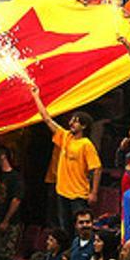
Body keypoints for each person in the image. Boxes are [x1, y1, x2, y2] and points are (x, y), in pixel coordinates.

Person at [29, 85, 101, 232]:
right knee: (64, 228)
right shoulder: (65, 137)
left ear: (84, 126)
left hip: (79, 195)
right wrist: (36, 96)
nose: (71, 123)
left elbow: (97, 168)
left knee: (80, 230)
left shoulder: (86, 144)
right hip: (62, 192)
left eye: (75, 121)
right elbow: (47, 119)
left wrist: (94, 192)